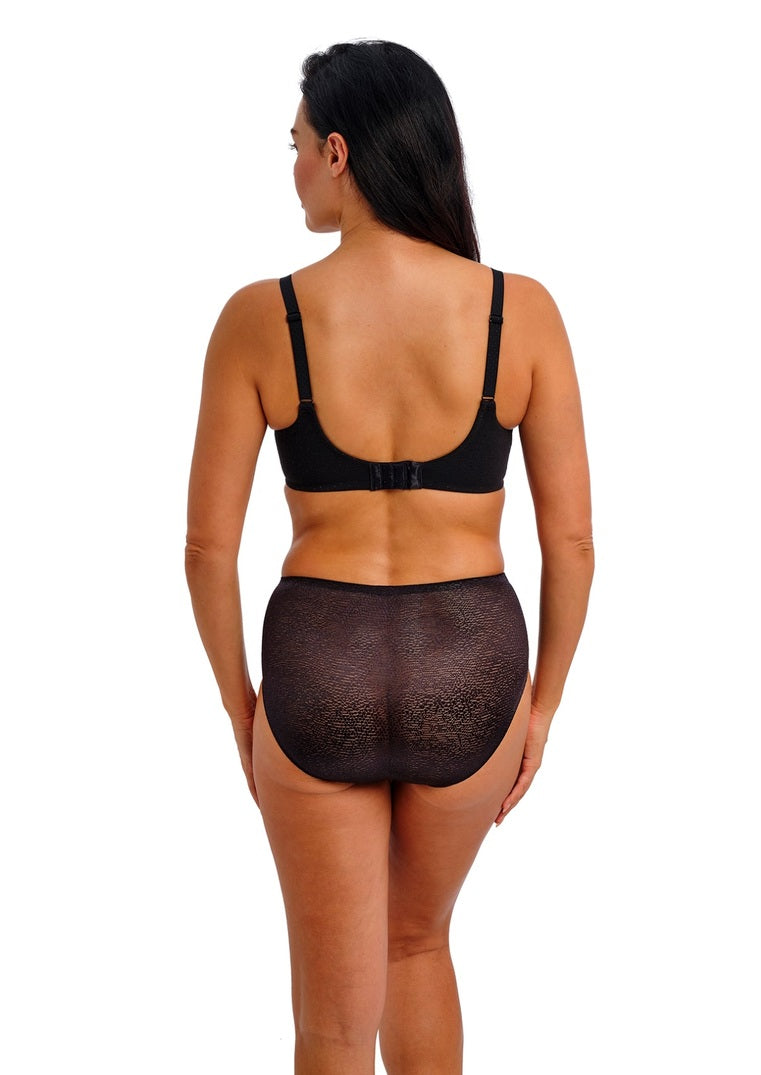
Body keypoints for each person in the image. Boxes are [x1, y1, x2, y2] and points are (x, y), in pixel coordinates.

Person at [185, 39, 593, 1075]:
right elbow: (573, 543)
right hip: (473, 666)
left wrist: (241, 705)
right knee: (417, 944)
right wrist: (542, 706)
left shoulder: (261, 317)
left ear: (338, 152)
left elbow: (206, 549)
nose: (291, 170)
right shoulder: (520, 310)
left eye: (293, 146)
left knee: (331, 1020)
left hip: (320, 664)